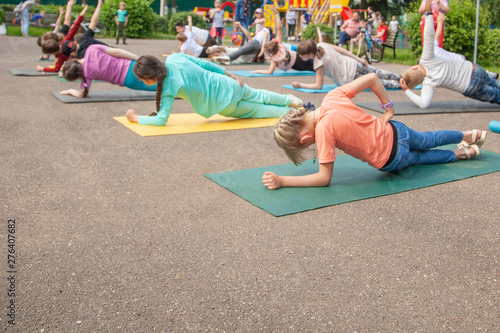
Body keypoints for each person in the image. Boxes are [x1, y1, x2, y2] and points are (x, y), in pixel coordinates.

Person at [262, 73, 487, 190]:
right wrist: (388, 107)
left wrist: (283, 180)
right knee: (430, 138)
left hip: (391, 158)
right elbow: (372, 78)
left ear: (304, 138)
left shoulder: (322, 132)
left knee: (421, 158)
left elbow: (324, 178)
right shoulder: (332, 97)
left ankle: (460, 154)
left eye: (306, 146)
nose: (312, 145)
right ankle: (469, 135)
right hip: (397, 131)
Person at [124, 53, 303, 126]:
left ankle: (290, 112)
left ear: (149, 79)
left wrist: (135, 118)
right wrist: (230, 74)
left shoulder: (166, 90)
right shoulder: (174, 57)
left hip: (222, 105)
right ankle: (290, 100)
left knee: (258, 109)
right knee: (259, 94)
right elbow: (204, 63)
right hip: (227, 84)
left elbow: (162, 119)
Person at [400, 0, 500, 108]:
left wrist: (406, 90)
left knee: (497, 96)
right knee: (496, 84)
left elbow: (424, 104)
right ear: (415, 68)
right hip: (474, 69)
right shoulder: (426, 59)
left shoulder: (429, 83)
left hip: (469, 86)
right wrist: (429, 13)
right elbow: (429, 37)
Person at [293, 38, 401, 90]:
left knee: (380, 82)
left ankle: (402, 84)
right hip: (353, 63)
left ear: (310, 54)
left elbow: (318, 86)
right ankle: (402, 77)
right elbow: (342, 50)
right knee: (380, 73)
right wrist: (358, 58)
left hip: (349, 77)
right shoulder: (321, 44)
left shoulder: (318, 64)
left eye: (302, 55)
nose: (300, 57)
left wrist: (300, 84)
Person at [59, 45, 155, 98]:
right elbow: (117, 52)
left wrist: (69, 91)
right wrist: (139, 59)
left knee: (161, 87)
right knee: (162, 71)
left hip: (127, 80)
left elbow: (82, 93)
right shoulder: (91, 49)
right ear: (73, 60)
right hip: (131, 65)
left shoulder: (86, 75)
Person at [251, 7, 313, 75]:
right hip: (298, 57)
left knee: (313, 68)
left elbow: (269, 72)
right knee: (315, 64)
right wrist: (277, 14)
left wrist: (258, 71)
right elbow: (279, 28)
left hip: (296, 66)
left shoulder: (274, 59)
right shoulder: (279, 45)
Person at [36, 0, 86, 73]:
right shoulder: (63, 40)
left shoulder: (60, 54)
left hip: (82, 55)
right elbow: (73, 26)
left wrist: (43, 68)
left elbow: (56, 69)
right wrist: (80, 15)